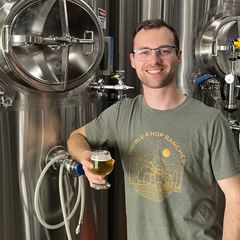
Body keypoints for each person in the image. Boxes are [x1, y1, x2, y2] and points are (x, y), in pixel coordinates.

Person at [67, 19, 240, 240]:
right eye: (144, 52)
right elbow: (76, 137)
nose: (154, 60)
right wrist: (84, 157)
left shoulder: (210, 121)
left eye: (164, 51)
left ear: (178, 56)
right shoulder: (121, 114)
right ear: (133, 60)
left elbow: (236, 197)